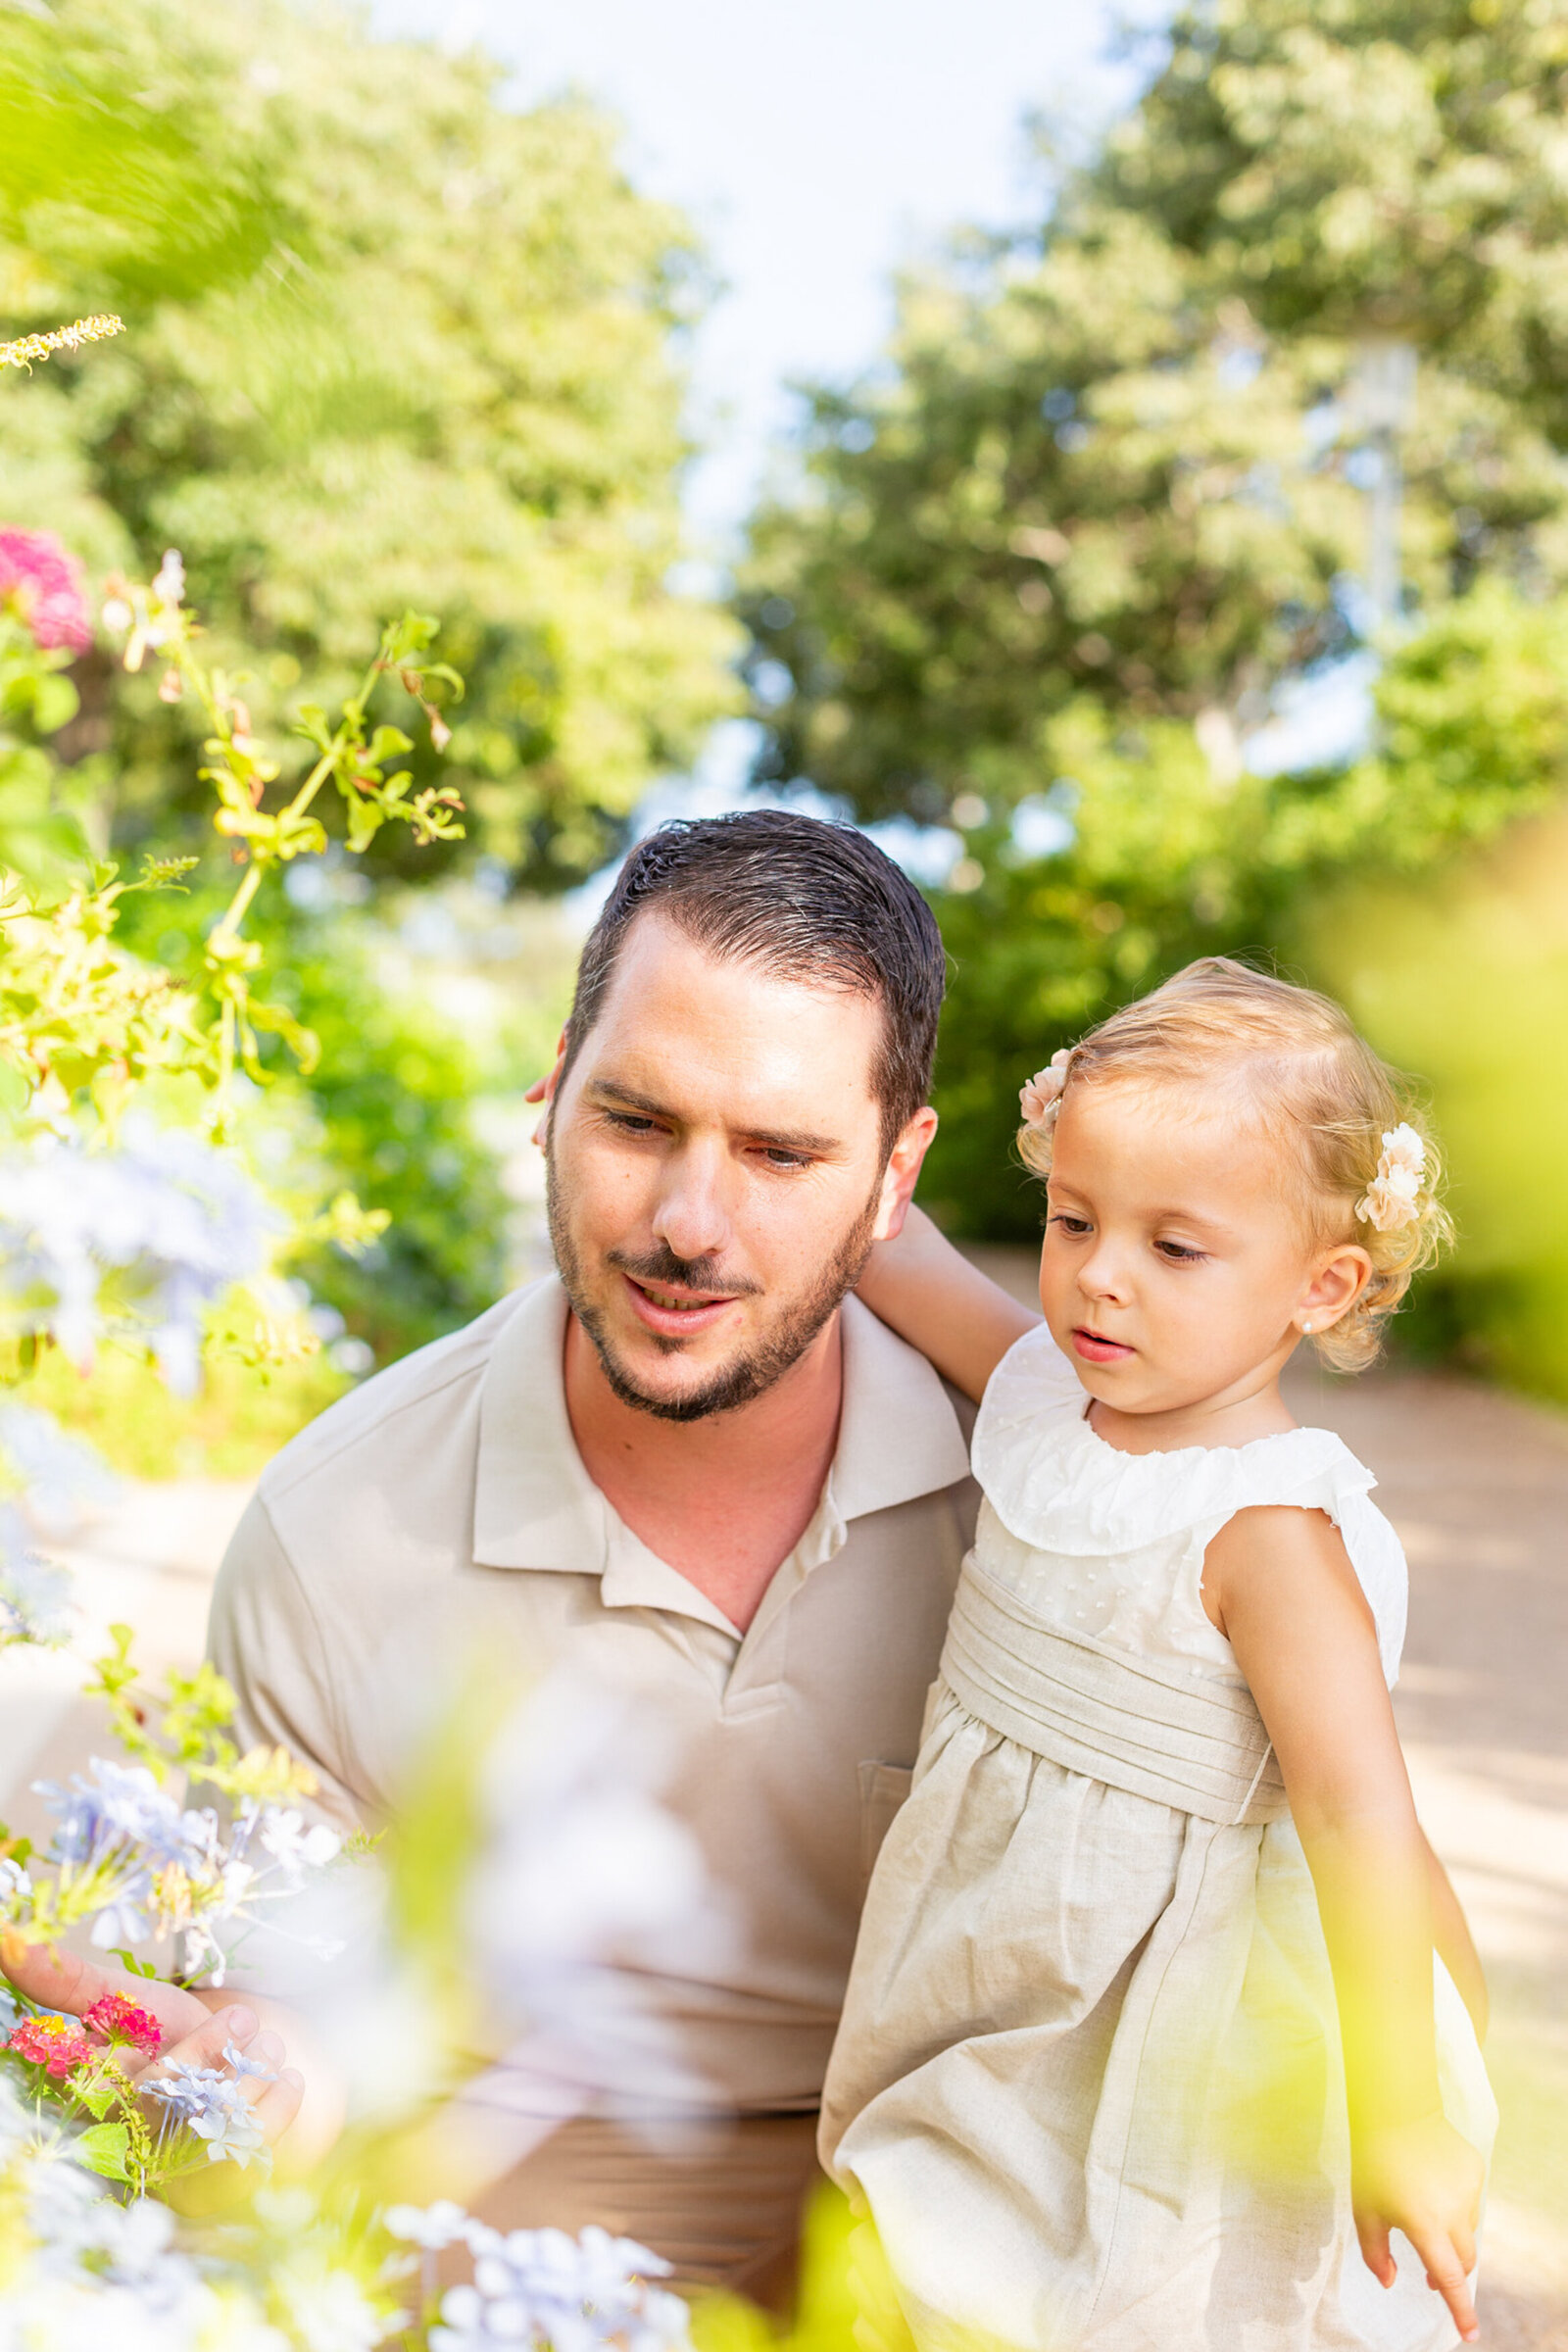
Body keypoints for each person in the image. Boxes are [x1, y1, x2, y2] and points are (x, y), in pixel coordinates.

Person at [3, 810, 978, 2300]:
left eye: (781, 1152)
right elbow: (307, 2019)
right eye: (637, 1123)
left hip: (931, 2236)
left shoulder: (1035, 1498)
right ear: (549, 1101)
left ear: (895, 1175)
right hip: (504, 2254)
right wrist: (263, 2067)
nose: (687, 1225)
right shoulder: (340, 1530)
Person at [820, 959, 1495, 2352]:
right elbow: (896, 1254)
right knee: (943, 2225)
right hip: (988, 1943)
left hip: (1161, 1986)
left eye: (1174, 1250)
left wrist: (1404, 2106)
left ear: (1324, 1283)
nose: (1101, 1279)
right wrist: (718, 1126)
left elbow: (1359, 1818)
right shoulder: (1045, 1395)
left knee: (1125, 2273)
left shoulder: (1268, 1532)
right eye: (1074, 1221)